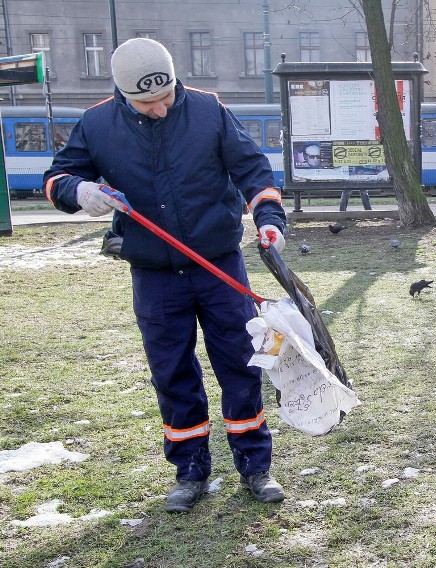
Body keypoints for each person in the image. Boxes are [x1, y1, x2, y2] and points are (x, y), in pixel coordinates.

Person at [42, 38, 288, 512]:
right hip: (155, 274)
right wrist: (81, 192)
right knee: (172, 372)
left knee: (240, 366)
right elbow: (56, 179)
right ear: (122, 95)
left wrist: (270, 221)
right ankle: (190, 471)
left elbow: (254, 171)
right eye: (146, 102)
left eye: (167, 96)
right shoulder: (96, 124)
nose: (160, 107)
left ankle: (256, 466)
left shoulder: (209, 111)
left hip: (218, 266)